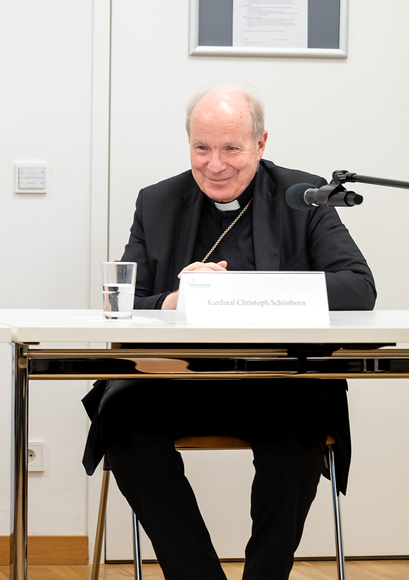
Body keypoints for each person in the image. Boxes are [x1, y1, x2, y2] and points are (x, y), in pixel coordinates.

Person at [82, 85, 376, 580]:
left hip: (278, 381)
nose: (214, 164)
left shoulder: (304, 195)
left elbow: (358, 287)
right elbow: (125, 303)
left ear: (261, 143)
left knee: (299, 434)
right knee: (122, 422)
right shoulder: (157, 202)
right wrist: (174, 301)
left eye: (231, 148)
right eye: (202, 148)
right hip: (175, 380)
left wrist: (242, 290)